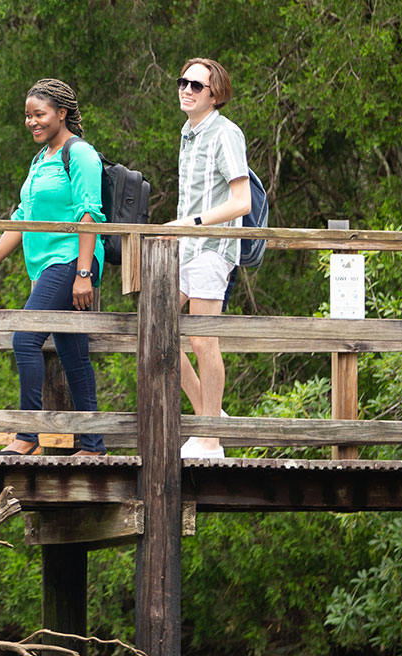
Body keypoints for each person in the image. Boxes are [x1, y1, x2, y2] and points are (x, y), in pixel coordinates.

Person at [0, 78, 106, 457]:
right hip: (45, 266)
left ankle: (28, 436)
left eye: (39, 114)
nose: (31, 122)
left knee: (25, 338)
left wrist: (83, 273)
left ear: (62, 113)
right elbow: (23, 217)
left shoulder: (81, 154)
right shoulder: (41, 158)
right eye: (28, 115)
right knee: (72, 353)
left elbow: (89, 213)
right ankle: (92, 445)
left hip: (71, 260)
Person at [167, 58, 251, 459]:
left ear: (214, 94)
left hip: (213, 248)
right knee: (158, 333)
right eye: (183, 82)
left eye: (196, 86)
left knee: (202, 338)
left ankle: (211, 439)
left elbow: (241, 201)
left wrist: (193, 222)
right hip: (185, 249)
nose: (186, 89)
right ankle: (212, 417)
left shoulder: (225, 133)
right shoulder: (188, 133)